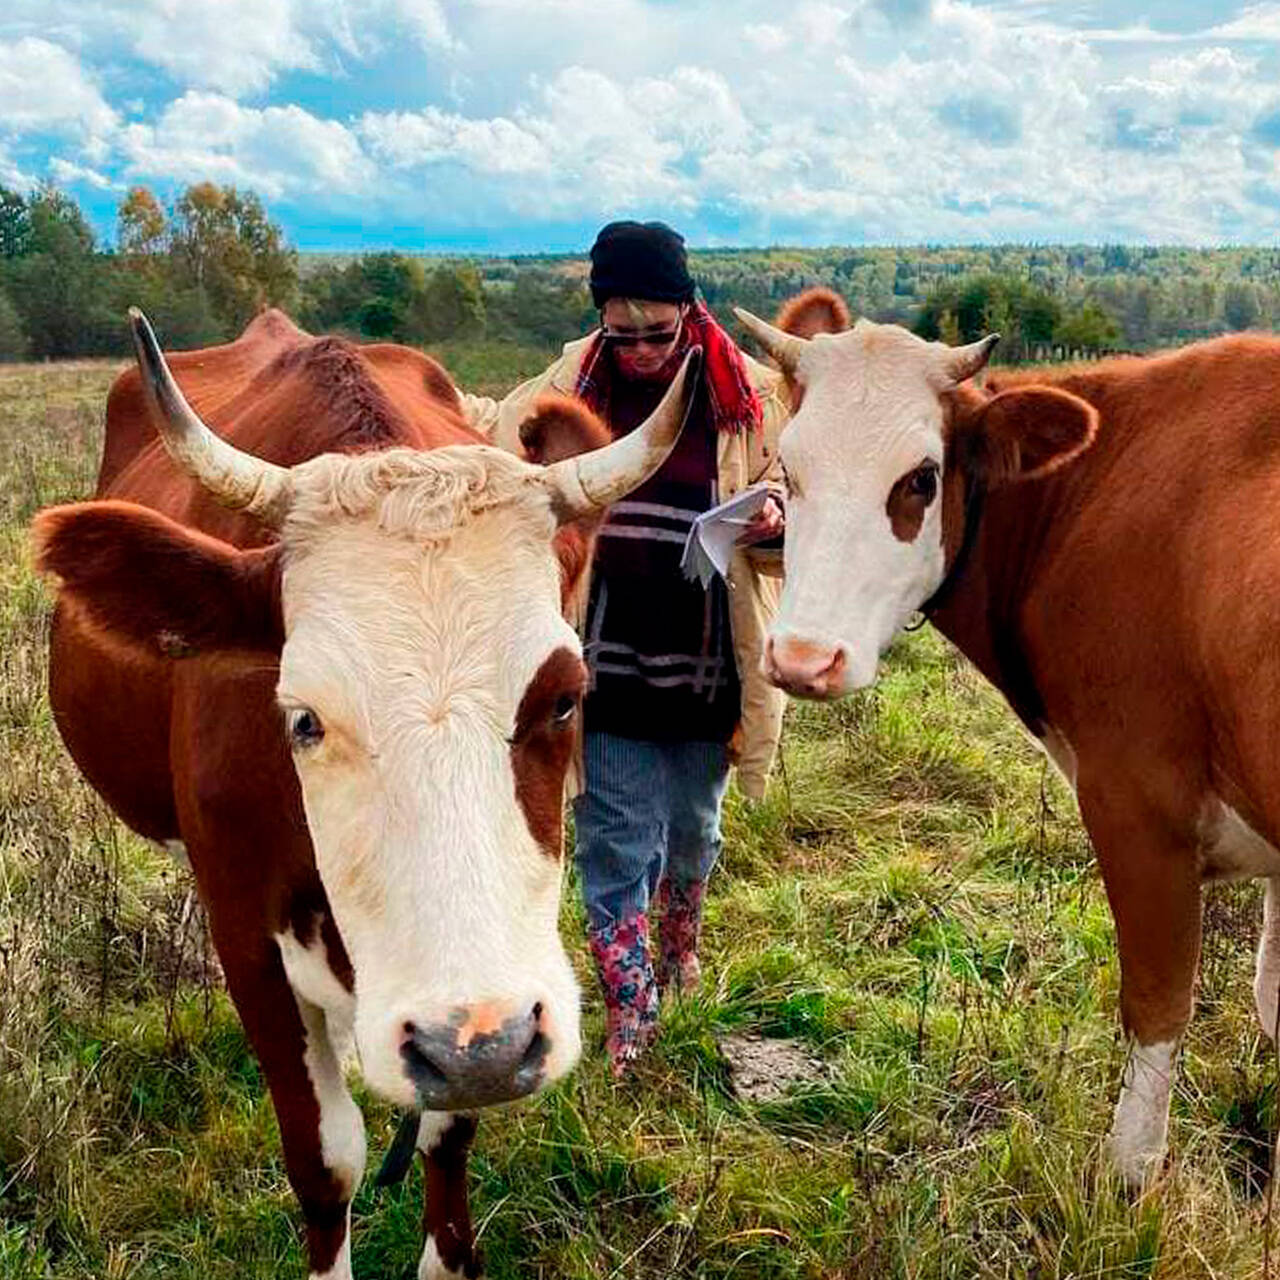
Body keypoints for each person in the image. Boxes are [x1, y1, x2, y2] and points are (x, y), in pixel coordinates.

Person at [461, 221, 789, 1076]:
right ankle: (632, 1016)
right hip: (604, 661)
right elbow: (492, 436)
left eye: (658, 331)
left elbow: (792, 485)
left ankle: (680, 957)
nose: (641, 350)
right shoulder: (571, 379)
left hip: (711, 659)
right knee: (613, 838)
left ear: (690, 310)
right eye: (624, 331)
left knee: (694, 831)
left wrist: (774, 516)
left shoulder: (747, 393)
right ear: (601, 319)